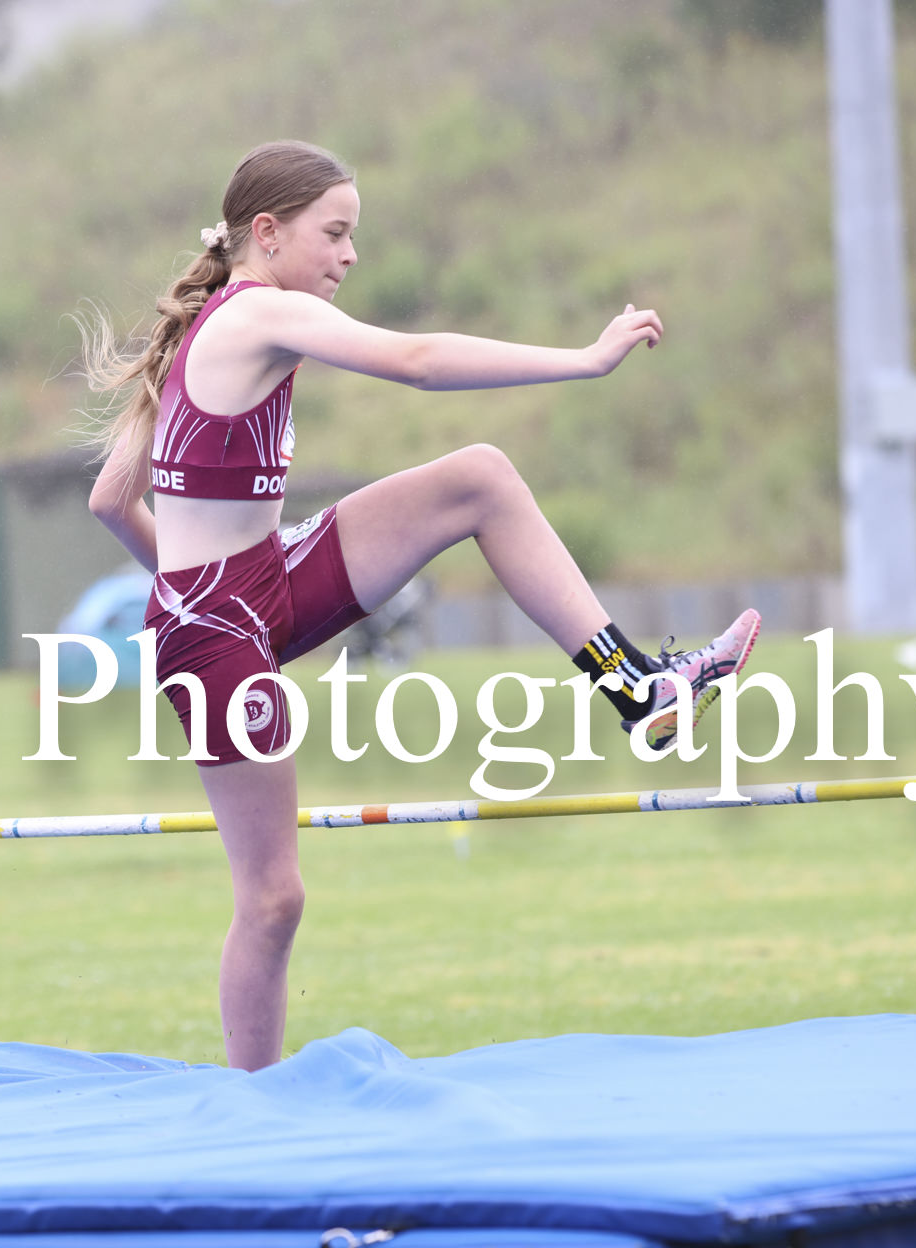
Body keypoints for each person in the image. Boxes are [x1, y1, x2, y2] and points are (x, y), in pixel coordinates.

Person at [81, 140, 759, 1071]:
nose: (349, 255)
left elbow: (108, 502)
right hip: (216, 625)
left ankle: (636, 688)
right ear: (266, 234)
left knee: (478, 479)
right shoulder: (254, 313)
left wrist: (197, 586)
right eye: (334, 234)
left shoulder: (214, 326)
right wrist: (582, 360)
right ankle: (251, 1102)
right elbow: (417, 360)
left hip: (259, 582)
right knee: (273, 899)